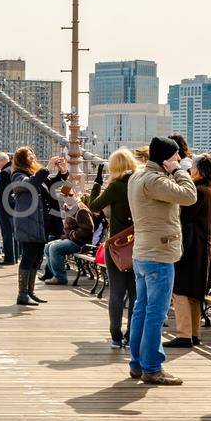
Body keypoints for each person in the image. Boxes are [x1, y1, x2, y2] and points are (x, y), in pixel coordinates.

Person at [126, 136, 197, 385]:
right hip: (159, 254)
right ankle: (153, 368)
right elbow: (189, 196)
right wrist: (179, 172)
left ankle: (136, 363)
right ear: (166, 158)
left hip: (142, 253)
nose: (179, 160)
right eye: (176, 156)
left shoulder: (136, 177)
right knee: (155, 314)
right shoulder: (155, 180)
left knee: (141, 311)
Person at [88, 148, 139, 349]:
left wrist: (98, 182)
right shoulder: (140, 183)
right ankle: (132, 336)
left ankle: (116, 337)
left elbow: (93, 205)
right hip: (138, 244)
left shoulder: (116, 186)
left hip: (117, 246)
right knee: (136, 294)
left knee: (117, 292)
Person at [7, 149, 67, 306]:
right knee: (28, 258)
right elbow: (30, 184)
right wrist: (47, 166)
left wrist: (63, 172)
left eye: (33, 154)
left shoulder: (34, 175)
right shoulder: (17, 175)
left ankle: (30, 292)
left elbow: (51, 184)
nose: (33, 157)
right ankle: (22, 294)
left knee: (37, 259)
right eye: (29, 155)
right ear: (21, 159)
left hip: (40, 224)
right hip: (28, 223)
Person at [169, 154, 211, 347]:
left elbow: (183, 218)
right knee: (195, 292)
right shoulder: (208, 190)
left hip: (188, 247)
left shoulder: (196, 191)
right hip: (201, 247)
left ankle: (184, 334)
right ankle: (194, 333)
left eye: (193, 168)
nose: (190, 171)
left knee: (180, 290)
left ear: (198, 170)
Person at [43, 183, 93, 285]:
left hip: (81, 243)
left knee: (54, 248)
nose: (67, 198)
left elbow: (88, 229)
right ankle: (55, 274)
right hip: (71, 240)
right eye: (65, 196)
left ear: (75, 194)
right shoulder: (70, 207)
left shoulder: (81, 209)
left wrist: (71, 235)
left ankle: (60, 277)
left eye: (70, 195)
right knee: (48, 246)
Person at [0, 153, 17, 265]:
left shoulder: (4, 172)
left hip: (6, 205)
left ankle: (9, 258)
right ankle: (16, 255)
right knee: (14, 231)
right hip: (15, 204)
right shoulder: (14, 169)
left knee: (7, 232)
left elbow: (2, 191)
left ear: (2, 160)